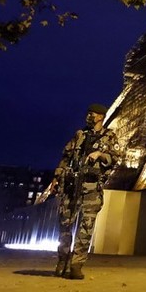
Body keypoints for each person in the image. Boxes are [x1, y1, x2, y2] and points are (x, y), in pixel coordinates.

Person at [47, 103, 118, 280]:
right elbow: (65, 158)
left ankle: (77, 264)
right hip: (72, 186)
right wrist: (57, 178)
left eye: (93, 114)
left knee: (86, 228)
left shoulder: (109, 137)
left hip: (92, 187)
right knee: (65, 224)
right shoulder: (79, 135)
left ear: (101, 116)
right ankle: (63, 259)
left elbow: (115, 158)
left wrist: (100, 155)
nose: (89, 116)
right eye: (88, 113)